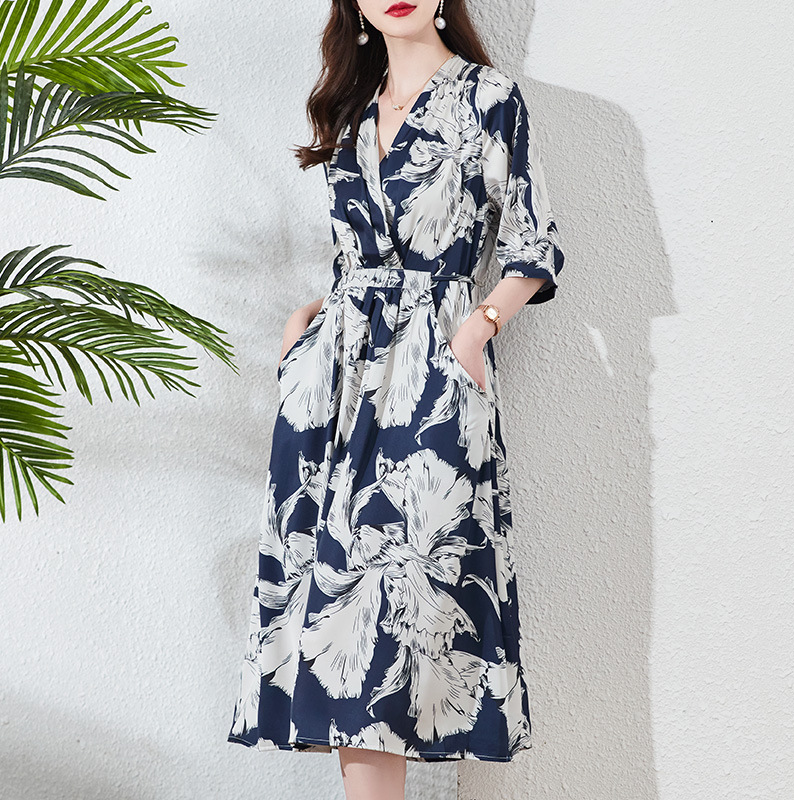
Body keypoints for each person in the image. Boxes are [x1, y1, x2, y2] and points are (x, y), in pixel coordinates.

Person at [226, 1, 566, 798]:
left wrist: (477, 330)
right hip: (331, 386)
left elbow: (535, 243)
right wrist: (303, 331)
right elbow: (355, 254)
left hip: (431, 384)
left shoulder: (488, 98)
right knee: (335, 614)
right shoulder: (351, 108)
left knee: (402, 612)